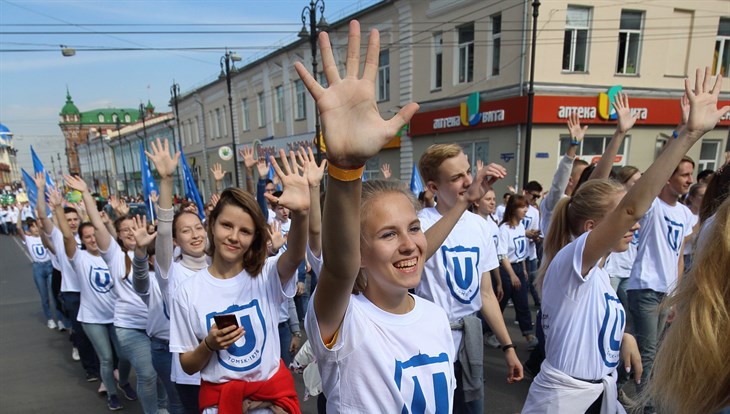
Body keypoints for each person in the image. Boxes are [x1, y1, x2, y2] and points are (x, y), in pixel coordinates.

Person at [295, 21, 511, 412]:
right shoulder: (344, 321)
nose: (410, 242)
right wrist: (346, 168)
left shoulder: (433, 317)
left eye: (413, 227)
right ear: (358, 250)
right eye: (387, 235)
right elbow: (340, 268)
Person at [524, 67, 729, 413]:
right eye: (619, 217)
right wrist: (687, 134)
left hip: (596, 397)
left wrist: (624, 337)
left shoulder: (599, 273)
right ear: (592, 228)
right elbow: (630, 208)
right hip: (563, 403)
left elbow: (602, 196)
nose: (634, 223)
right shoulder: (571, 262)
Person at [169, 149, 308, 414]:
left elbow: (295, 255)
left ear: (255, 237)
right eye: (226, 225)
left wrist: (301, 213)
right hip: (220, 405)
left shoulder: (265, 274)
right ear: (211, 225)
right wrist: (210, 344)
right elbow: (187, 364)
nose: (234, 237)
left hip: (271, 402)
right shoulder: (187, 292)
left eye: (245, 231)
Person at [641, 196, 730, 414]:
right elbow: (630, 209)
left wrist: (678, 292)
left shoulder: (683, 213)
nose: (688, 179)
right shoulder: (654, 206)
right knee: (650, 348)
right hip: (644, 287)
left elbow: (680, 254)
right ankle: (647, 401)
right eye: (683, 174)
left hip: (670, 289)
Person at [49, 181, 131, 411]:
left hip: (116, 315)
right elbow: (66, 236)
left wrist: (114, 214)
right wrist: (57, 209)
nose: (92, 239)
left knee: (124, 356)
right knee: (105, 358)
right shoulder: (79, 258)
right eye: (87, 237)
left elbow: (117, 233)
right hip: (93, 317)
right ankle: (112, 393)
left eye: (94, 235)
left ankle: (123, 381)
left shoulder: (111, 253)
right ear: (82, 240)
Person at [141, 138, 204, 414]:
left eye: (199, 227)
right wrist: (166, 180)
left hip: (222, 361)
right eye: (186, 231)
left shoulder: (219, 266)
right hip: (188, 365)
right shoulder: (171, 271)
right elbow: (163, 231)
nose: (195, 234)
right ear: (176, 240)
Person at [35, 172, 100, 381]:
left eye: (75, 220)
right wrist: (41, 190)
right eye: (68, 219)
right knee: (81, 332)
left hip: (92, 291)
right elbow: (43, 217)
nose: (71, 223)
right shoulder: (57, 234)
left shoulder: (87, 238)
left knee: (100, 332)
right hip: (72, 292)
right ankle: (91, 368)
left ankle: (105, 365)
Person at [17, 210, 63, 329]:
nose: (36, 229)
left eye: (37, 226)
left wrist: (42, 217)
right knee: (44, 295)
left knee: (55, 294)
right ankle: (49, 318)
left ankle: (61, 319)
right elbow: (18, 227)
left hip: (50, 265)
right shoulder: (28, 239)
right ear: (30, 229)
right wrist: (19, 211)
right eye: (33, 227)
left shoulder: (45, 236)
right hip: (38, 267)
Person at [522, 181, 543, 307]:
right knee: (522, 283)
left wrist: (535, 236)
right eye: (533, 196)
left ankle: (539, 302)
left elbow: (535, 230)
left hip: (530, 251)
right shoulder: (514, 206)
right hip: (518, 253)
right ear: (526, 192)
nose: (535, 199)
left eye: (537, 197)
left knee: (534, 280)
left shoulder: (534, 212)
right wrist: (525, 233)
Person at [681, 182, 705, 270]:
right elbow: (684, 238)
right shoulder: (684, 213)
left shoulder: (707, 215)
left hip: (697, 257)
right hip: (684, 255)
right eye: (701, 196)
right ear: (691, 198)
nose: (704, 199)